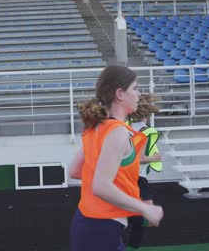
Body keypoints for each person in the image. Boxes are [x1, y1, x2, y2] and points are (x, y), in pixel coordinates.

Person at [69, 66, 164, 251]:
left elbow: (75, 171)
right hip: (102, 228)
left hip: (86, 222)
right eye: (135, 88)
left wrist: (113, 181)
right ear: (120, 93)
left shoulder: (96, 126)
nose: (139, 94)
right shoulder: (118, 132)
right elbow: (100, 186)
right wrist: (145, 208)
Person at [126, 93, 163, 251]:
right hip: (139, 178)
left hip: (124, 176)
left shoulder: (124, 127)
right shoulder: (145, 131)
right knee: (152, 219)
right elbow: (138, 159)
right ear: (148, 112)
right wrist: (155, 157)